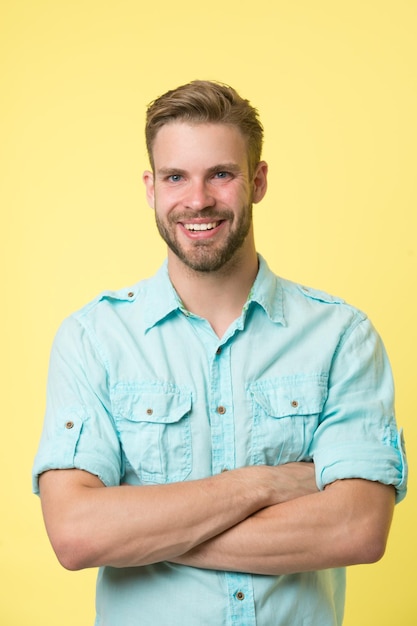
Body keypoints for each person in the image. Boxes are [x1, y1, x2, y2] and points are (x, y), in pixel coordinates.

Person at [33, 80, 407, 626]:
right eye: (176, 176)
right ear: (150, 187)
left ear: (257, 181)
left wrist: (141, 534)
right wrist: (266, 482)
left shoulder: (341, 336)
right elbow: (76, 535)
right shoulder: (93, 339)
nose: (198, 200)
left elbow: (357, 529)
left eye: (222, 174)